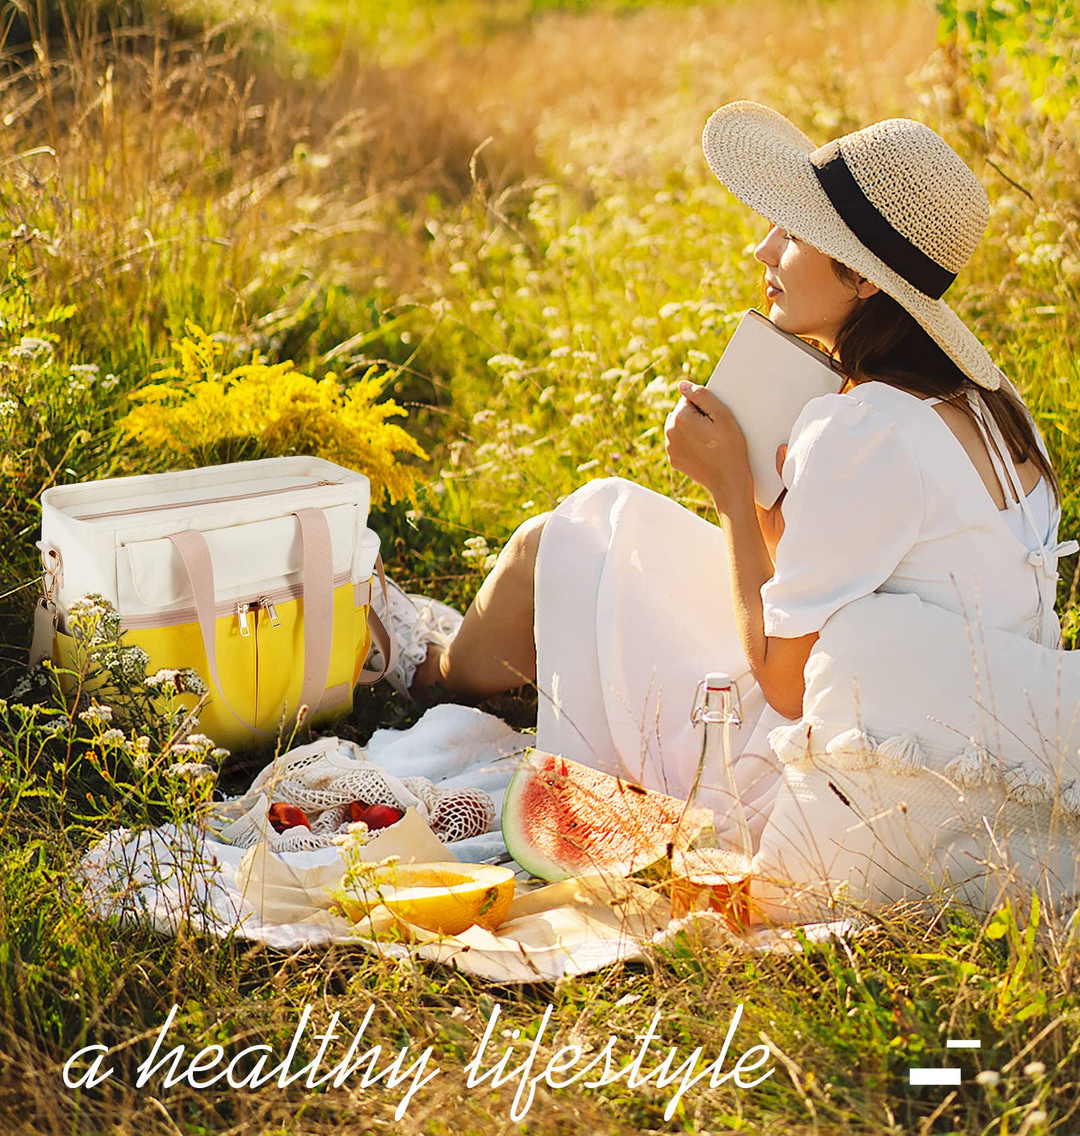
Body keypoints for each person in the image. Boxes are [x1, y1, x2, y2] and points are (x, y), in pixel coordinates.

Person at [382, 101, 1073, 832]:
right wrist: (774, 506)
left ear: (866, 281)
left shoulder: (866, 427)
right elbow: (850, 582)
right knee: (592, 532)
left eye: (797, 232)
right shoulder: (994, 405)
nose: (763, 250)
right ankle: (459, 672)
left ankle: (428, 682)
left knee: (582, 527)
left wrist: (733, 497)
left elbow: (785, 684)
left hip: (827, 771)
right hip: (952, 736)